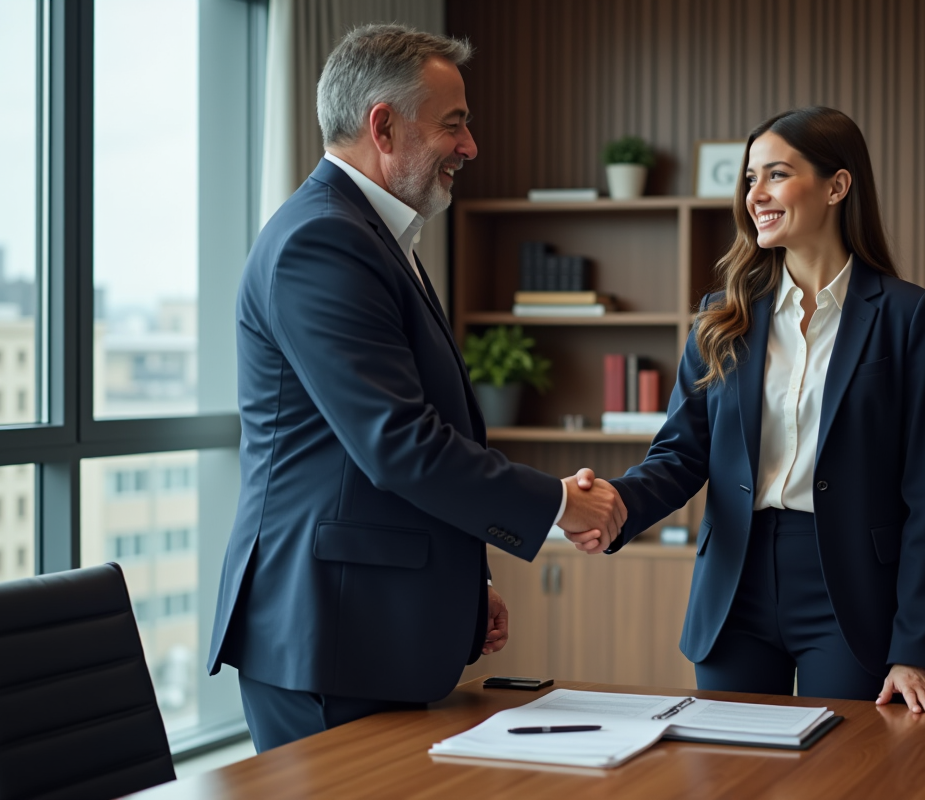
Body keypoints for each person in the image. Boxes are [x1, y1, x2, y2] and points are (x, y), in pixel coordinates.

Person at [207, 24, 625, 752]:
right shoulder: (323, 241)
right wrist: (558, 502)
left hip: (368, 624)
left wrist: (466, 581)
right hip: (327, 633)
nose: (470, 147)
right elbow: (398, 444)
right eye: (454, 124)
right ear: (384, 125)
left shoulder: (373, 234)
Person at [567, 107, 925, 713]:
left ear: (837, 186)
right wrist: (617, 506)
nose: (757, 195)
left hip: (850, 591)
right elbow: (681, 453)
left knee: (847, 775)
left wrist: (916, 647)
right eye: (750, 179)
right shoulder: (722, 314)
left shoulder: (906, 316)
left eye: (775, 174)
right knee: (728, 773)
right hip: (735, 585)